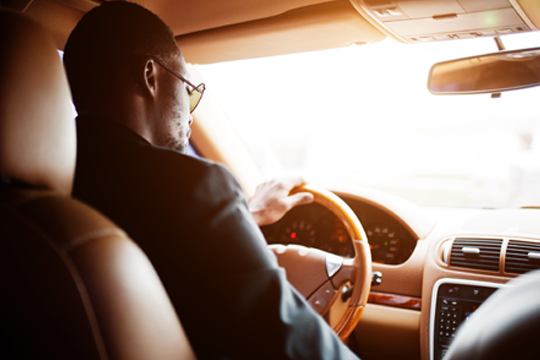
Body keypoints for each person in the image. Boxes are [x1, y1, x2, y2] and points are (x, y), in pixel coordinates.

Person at [63, 2, 360, 359]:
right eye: (187, 88)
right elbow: (291, 344)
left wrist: (243, 217)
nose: (190, 112)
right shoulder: (193, 188)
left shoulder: (50, 181)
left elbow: (155, 242)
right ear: (150, 76)